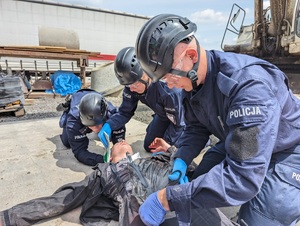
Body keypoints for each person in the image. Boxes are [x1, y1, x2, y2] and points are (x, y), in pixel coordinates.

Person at [136, 14, 300, 226]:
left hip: (287, 150)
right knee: (199, 181)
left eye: (169, 77)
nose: (167, 85)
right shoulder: (194, 82)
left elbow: (243, 179)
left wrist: (167, 199)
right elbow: (196, 127)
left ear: (191, 56)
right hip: (241, 138)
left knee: (256, 219)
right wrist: (182, 159)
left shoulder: (249, 87)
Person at [0, 138, 236, 226]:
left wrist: (171, 150)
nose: (122, 139)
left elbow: (192, 170)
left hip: (183, 201)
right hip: (144, 215)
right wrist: (9, 217)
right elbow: (64, 199)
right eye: (117, 143)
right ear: (110, 155)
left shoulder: (152, 159)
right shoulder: (105, 172)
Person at [98, 47, 185, 152]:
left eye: (135, 84)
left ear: (146, 74)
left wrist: (166, 145)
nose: (131, 89)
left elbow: (179, 123)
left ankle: (199, 140)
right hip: (164, 115)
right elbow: (125, 112)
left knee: (172, 149)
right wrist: (109, 124)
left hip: (183, 118)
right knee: (150, 146)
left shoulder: (168, 90)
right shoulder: (131, 85)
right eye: (128, 85)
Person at [57, 89, 125, 166]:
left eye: (98, 125)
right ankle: (67, 107)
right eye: (91, 126)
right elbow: (79, 152)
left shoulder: (113, 114)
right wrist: (103, 160)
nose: (95, 129)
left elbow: (120, 141)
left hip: (95, 96)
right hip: (78, 96)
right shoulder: (73, 121)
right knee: (67, 142)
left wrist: (119, 149)